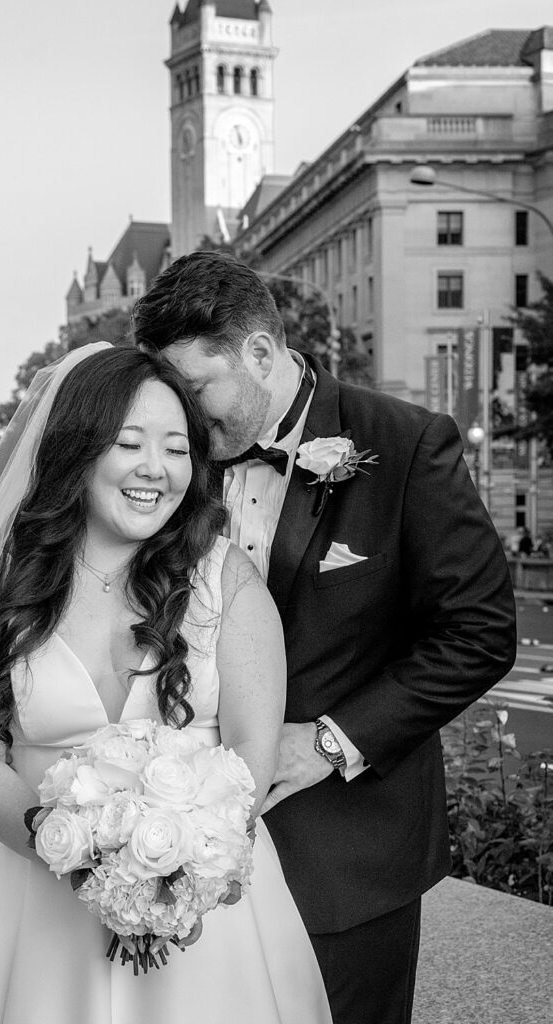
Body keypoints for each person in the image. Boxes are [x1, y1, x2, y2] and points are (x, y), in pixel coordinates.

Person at [0, 344, 331, 1024]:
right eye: (129, 443)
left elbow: (251, 756)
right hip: (29, 902)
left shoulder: (226, 579)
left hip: (205, 916)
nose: (155, 468)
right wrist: (76, 856)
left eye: (176, 449)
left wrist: (173, 875)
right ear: (77, 451)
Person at [132, 251, 517, 1024]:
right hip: (175, 847)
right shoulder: (168, 460)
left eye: (195, 390)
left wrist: (329, 742)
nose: (182, 418)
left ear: (260, 352)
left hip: (345, 856)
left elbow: (477, 633)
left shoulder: (406, 445)